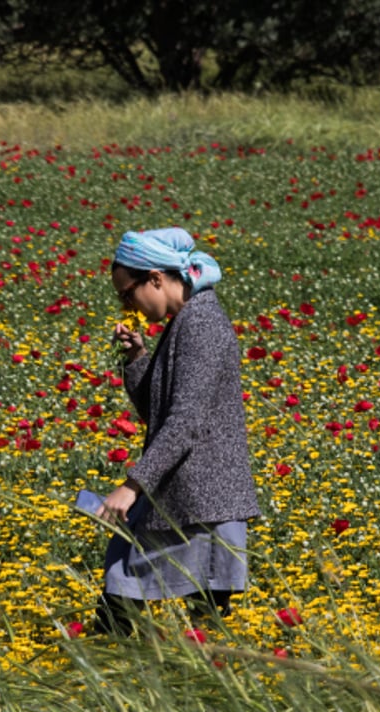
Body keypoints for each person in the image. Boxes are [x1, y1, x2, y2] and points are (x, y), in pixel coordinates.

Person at [91, 227, 260, 636]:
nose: (124, 303)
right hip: (186, 499)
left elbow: (185, 422)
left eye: (126, 293)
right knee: (126, 600)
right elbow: (160, 410)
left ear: (156, 278)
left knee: (187, 626)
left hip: (205, 505)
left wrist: (132, 486)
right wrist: (137, 357)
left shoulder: (200, 324)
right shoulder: (185, 321)